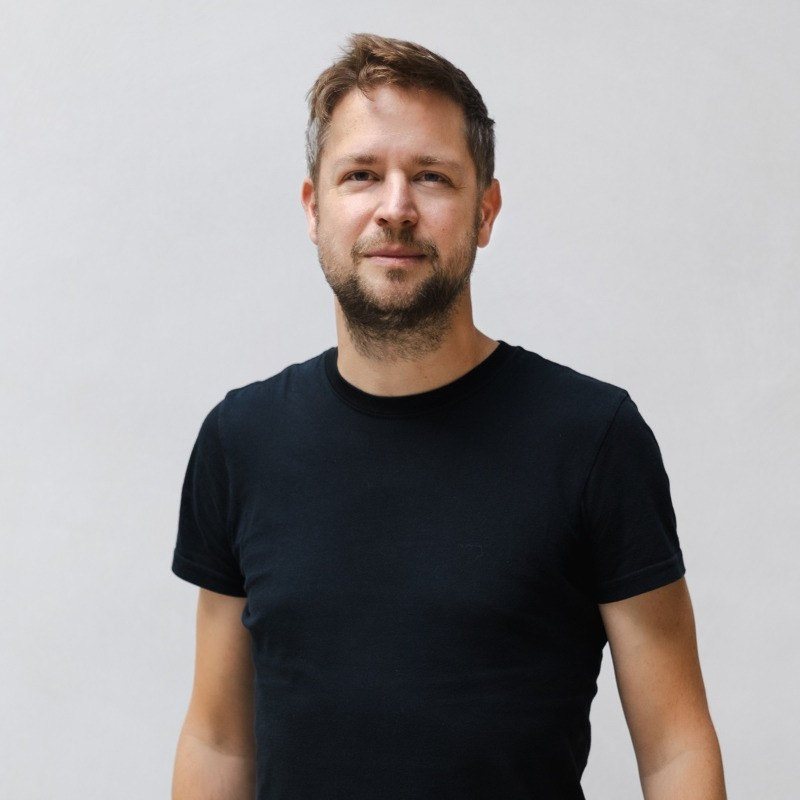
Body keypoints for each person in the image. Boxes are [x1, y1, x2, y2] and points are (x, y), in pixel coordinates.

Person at [171, 33, 726, 800]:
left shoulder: (593, 439)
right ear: (314, 208)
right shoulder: (241, 441)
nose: (395, 208)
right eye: (362, 175)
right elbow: (218, 740)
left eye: (431, 176)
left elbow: (674, 749)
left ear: (485, 211)